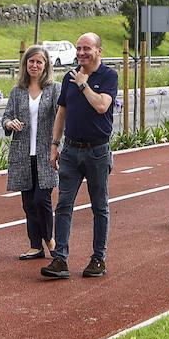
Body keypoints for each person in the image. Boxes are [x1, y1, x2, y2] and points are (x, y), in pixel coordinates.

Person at [41, 33, 117, 280]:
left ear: (99, 51)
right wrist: (55, 145)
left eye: (87, 48)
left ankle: (98, 259)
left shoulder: (108, 76)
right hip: (71, 151)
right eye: (79, 49)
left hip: (97, 151)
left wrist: (84, 84)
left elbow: (102, 106)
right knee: (63, 205)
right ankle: (60, 258)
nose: (81, 53)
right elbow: (62, 112)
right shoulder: (69, 76)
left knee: (99, 206)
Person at [2, 45, 60, 261]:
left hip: (46, 153)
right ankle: (35, 245)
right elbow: (6, 117)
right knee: (28, 203)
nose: (34, 65)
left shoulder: (55, 89)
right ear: (25, 64)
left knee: (41, 200)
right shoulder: (17, 91)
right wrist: (9, 123)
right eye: (31, 61)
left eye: (39, 62)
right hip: (22, 154)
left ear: (46, 65)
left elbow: (62, 116)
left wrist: (58, 144)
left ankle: (50, 239)